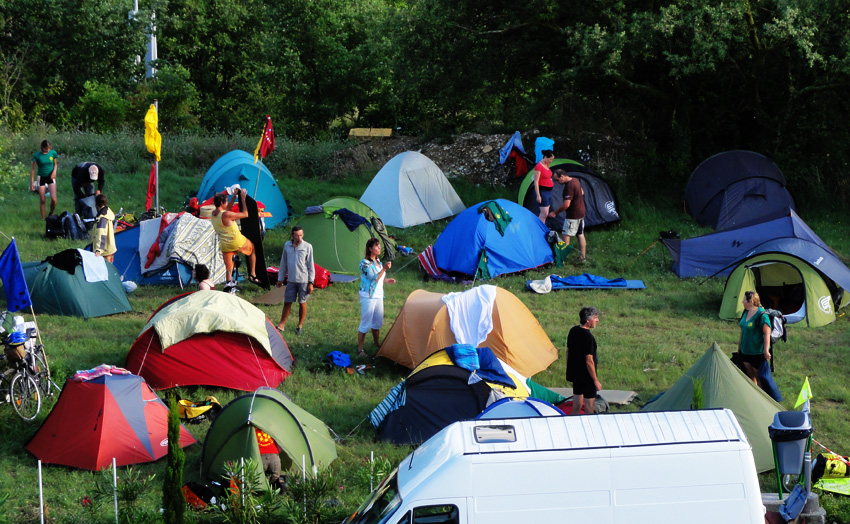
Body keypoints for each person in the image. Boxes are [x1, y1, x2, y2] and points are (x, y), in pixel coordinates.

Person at [210, 189, 258, 290]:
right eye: (226, 201)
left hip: (225, 245)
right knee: (252, 249)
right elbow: (245, 214)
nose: (227, 203)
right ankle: (253, 274)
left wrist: (234, 195)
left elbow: (226, 209)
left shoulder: (214, 214)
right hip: (236, 241)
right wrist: (243, 199)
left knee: (229, 268)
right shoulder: (227, 215)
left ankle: (229, 284)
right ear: (222, 203)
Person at [357, 238, 395, 357]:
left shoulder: (377, 261)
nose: (379, 248)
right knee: (366, 322)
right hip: (368, 296)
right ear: (370, 248)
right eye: (377, 246)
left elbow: (379, 278)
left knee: (378, 322)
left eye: (379, 246)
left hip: (378, 295)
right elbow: (373, 278)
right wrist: (384, 268)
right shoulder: (364, 263)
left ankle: (376, 343)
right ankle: (360, 350)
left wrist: (386, 280)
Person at [276, 226, 314, 335]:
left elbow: (311, 266)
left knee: (302, 302)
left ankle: (300, 325)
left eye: (301, 235)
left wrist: (311, 282)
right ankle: (281, 325)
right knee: (287, 302)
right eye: (297, 235)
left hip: (304, 280)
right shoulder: (287, 246)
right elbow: (283, 263)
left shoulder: (307, 247)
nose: (299, 238)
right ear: (292, 235)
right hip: (291, 280)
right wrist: (280, 278)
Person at [566, 306, 601, 415]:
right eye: (595, 318)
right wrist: (595, 380)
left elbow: (568, 351)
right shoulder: (588, 337)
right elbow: (589, 361)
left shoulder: (573, 330)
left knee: (576, 404)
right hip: (587, 376)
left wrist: (569, 367)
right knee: (589, 408)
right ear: (588, 320)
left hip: (576, 374)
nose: (597, 320)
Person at [549, 168, 587, 262]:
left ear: (562, 176)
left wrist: (555, 212)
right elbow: (582, 192)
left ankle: (562, 259)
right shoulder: (575, 180)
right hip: (581, 212)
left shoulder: (569, 186)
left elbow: (566, 204)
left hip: (573, 215)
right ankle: (583, 257)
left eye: (557, 180)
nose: (557, 182)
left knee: (565, 235)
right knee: (580, 234)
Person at [738, 290, 772, 385]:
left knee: (759, 376)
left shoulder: (762, 315)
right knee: (749, 373)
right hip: (745, 350)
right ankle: (754, 393)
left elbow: (767, 333)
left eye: (744, 300)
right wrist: (739, 346)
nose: (742, 302)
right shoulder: (745, 312)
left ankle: (761, 395)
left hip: (757, 351)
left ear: (750, 301)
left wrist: (766, 351)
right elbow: (743, 330)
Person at [30, 139, 59, 219]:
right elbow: (33, 170)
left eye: (49, 148)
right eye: (46, 148)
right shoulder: (37, 155)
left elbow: (55, 165)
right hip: (41, 177)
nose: (47, 149)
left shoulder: (53, 153)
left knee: (54, 199)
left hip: (50, 177)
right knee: (42, 200)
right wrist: (32, 183)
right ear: (42, 147)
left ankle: (50, 214)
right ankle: (43, 219)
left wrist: (54, 172)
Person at [91, 194, 116, 262]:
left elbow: (101, 234)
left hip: (104, 252)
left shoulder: (102, 218)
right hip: (109, 248)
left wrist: (98, 250)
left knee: (104, 271)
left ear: (96, 204)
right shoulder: (107, 212)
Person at [532, 149, 555, 223]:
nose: (551, 161)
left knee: (546, 213)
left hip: (548, 191)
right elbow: (536, 181)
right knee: (544, 213)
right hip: (543, 192)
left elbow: (547, 175)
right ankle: (539, 228)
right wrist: (538, 195)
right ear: (545, 157)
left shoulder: (546, 164)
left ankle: (543, 228)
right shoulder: (539, 166)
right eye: (550, 159)